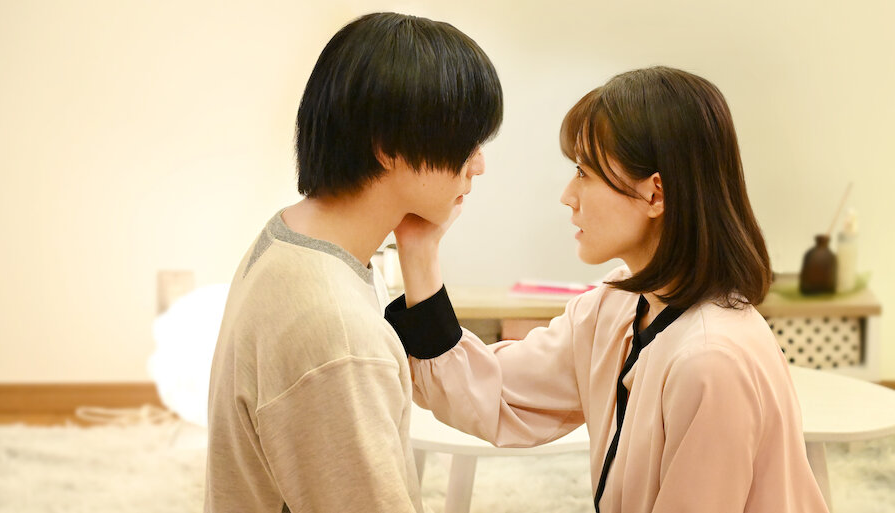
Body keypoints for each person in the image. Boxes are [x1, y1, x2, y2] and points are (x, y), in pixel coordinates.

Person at [385, 67, 829, 512]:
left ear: (655, 194)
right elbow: (494, 392)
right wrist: (419, 249)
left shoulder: (711, 362)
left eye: (584, 172)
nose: (567, 195)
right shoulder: (620, 301)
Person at [203, 12, 502, 513]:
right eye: (467, 142)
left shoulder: (292, 235)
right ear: (389, 148)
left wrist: (420, 249)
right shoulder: (336, 333)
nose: (479, 164)